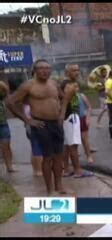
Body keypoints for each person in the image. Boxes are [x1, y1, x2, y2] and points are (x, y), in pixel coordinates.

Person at [6, 59, 69, 195]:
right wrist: (27, 120)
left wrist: (62, 113)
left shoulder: (53, 83)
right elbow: (10, 102)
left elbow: (64, 98)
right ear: (35, 70)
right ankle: (50, 190)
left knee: (59, 156)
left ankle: (59, 186)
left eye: (48, 68)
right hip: (40, 124)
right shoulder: (28, 86)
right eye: (41, 68)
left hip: (56, 123)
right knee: (47, 157)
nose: (45, 71)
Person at [61, 63, 93, 178]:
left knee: (66, 145)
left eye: (78, 70)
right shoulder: (68, 84)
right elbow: (64, 101)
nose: (77, 72)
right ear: (67, 72)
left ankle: (66, 169)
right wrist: (63, 116)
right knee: (73, 145)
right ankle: (78, 170)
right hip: (70, 117)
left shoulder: (66, 83)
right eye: (74, 70)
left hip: (68, 117)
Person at [76, 83, 95, 164]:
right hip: (73, 119)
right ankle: (76, 152)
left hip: (82, 118)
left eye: (76, 86)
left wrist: (88, 118)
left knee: (84, 138)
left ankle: (89, 155)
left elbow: (89, 107)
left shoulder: (81, 96)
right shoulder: (67, 97)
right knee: (74, 139)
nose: (75, 88)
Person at [23, 103, 43, 176]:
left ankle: (36, 169)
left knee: (34, 148)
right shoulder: (32, 104)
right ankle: (39, 170)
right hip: (34, 126)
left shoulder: (25, 105)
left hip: (29, 127)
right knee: (38, 148)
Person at [0, 81, 15, 173]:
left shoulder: (4, 100)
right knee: (6, 146)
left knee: (6, 146)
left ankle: (9, 166)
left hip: (3, 124)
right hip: (3, 125)